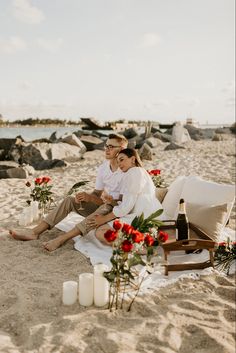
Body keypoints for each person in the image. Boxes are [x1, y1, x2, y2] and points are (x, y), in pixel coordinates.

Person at [9, 133, 128, 251]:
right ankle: (34, 232)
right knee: (69, 200)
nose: (107, 149)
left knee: (105, 207)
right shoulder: (104, 167)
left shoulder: (126, 170)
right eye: (106, 146)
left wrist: (92, 199)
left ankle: (61, 239)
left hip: (118, 210)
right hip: (104, 205)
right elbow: (97, 194)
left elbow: (122, 204)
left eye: (111, 147)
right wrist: (86, 197)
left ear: (122, 149)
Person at [88, 148, 165, 245]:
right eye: (117, 161)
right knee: (106, 230)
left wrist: (104, 219)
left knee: (100, 232)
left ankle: (138, 247)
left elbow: (126, 206)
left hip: (143, 215)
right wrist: (112, 200)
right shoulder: (140, 172)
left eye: (122, 159)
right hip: (150, 213)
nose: (119, 164)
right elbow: (131, 199)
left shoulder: (134, 172)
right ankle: (140, 242)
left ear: (133, 159)